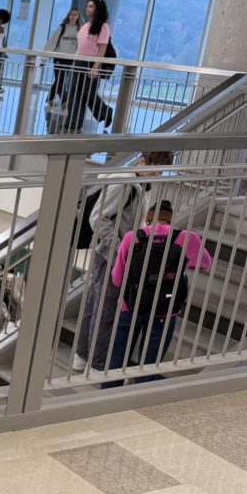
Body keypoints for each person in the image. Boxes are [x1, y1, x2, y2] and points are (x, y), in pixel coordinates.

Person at [74, 151, 174, 372]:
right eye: (155, 167)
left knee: (96, 304)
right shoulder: (126, 185)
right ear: (142, 161)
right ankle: (97, 364)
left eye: (162, 169)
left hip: (111, 254)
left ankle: (83, 356)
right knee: (106, 309)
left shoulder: (140, 184)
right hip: (110, 255)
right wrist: (121, 248)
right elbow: (98, 219)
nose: (158, 173)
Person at [103, 200, 211, 387]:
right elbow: (204, 263)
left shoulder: (132, 237)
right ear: (169, 221)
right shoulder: (186, 238)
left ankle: (109, 391)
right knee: (151, 360)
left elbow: (116, 278)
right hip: (165, 309)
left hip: (131, 305)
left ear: (148, 220)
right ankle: (140, 396)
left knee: (119, 353)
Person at [65, 0, 111, 131]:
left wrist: (96, 67)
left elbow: (102, 49)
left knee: (88, 93)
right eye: (87, 6)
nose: (87, 9)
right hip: (79, 61)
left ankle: (105, 111)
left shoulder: (103, 27)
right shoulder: (85, 25)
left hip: (91, 63)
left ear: (98, 9)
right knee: (74, 93)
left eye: (91, 6)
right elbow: (80, 46)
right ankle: (72, 122)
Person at [44, 8, 81, 125]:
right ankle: (65, 100)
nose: (73, 16)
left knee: (60, 79)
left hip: (70, 59)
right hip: (59, 58)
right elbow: (52, 41)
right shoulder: (62, 27)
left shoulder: (79, 30)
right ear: (68, 15)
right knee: (61, 79)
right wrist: (44, 57)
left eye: (75, 15)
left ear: (78, 17)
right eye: (71, 14)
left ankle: (50, 98)